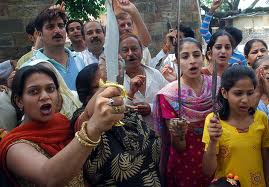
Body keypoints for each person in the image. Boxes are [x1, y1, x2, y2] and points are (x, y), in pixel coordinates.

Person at [0, 64, 125, 186]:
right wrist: (93, 128)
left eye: (50, 89)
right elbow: (49, 177)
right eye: (34, 91)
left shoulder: (61, 122)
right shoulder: (14, 146)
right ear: (19, 101)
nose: (45, 96)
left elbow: (86, 114)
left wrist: (109, 86)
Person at [71, 64, 161, 186]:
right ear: (87, 96)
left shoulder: (122, 111)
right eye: (103, 85)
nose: (113, 87)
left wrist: (130, 93)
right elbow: (84, 119)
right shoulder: (83, 119)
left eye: (115, 81)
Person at [154, 38, 216, 187]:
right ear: (177, 61)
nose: (192, 61)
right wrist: (178, 133)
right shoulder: (169, 95)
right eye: (185, 56)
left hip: (216, 154)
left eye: (196, 55)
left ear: (203, 57)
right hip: (185, 161)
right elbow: (179, 145)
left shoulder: (216, 85)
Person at [202, 65, 269, 187]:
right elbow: (208, 171)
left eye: (250, 93)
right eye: (238, 93)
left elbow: (266, 161)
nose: (245, 100)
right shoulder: (214, 122)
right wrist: (212, 141)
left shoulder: (261, 119)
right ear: (224, 93)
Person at [25, 7, 85, 90]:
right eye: (50, 27)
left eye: (61, 26)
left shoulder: (81, 60)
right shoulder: (31, 67)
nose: (57, 30)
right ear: (40, 34)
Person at [120, 33, 168, 129]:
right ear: (119, 55)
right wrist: (130, 94)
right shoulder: (118, 81)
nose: (130, 53)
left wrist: (151, 108)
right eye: (125, 50)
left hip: (160, 135)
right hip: (133, 138)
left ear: (141, 52)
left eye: (134, 49)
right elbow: (117, 113)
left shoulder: (155, 74)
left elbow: (169, 101)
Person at [200, 0, 247, 66]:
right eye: (218, 47)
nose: (223, 51)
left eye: (227, 46)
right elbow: (203, 30)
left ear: (234, 45)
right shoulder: (215, 42)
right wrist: (212, 10)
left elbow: (243, 75)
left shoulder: (240, 58)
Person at [114, 0, 152, 65]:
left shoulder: (139, 44)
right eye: (122, 25)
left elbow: (146, 42)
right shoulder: (114, 46)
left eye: (129, 24)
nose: (126, 27)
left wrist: (134, 12)